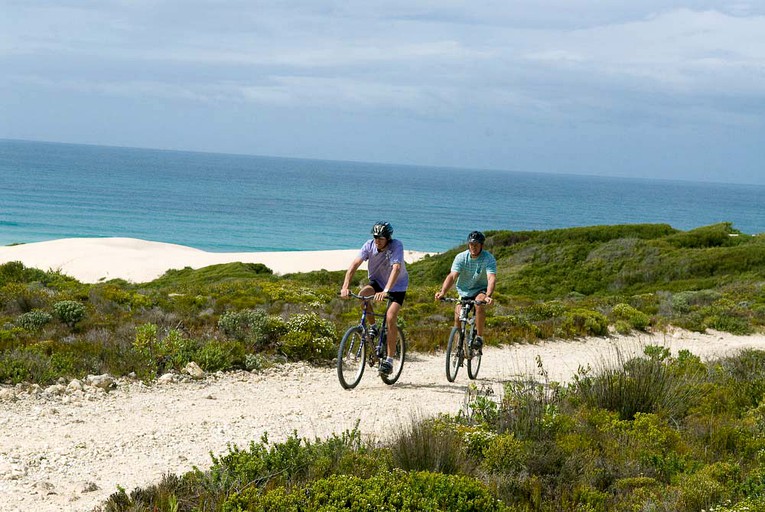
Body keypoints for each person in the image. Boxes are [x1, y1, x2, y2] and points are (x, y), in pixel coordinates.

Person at [341, 221, 409, 375]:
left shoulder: (396, 246)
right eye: (376, 237)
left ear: (388, 238)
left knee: (391, 317)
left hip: (397, 286)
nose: (377, 240)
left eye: (381, 238)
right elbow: (354, 265)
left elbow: (396, 268)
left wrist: (386, 290)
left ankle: (389, 361)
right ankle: (373, 328)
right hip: (378, 281)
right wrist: (345, 286)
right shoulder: (369, 245)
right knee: (363, 294)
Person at [434, 231, 496, 353]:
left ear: (482, 245)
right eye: (471, 244)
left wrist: (488, 296)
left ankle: (479, 337)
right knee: (457, 317)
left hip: (480, 289)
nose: (473, 247)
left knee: (479, 303)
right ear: (468, 245)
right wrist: (442, 292)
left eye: (476, 245)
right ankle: (459, 346)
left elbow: (491, 278)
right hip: (464, 291)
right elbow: (452, 276)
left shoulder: (488, 258)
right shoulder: (461, 257)